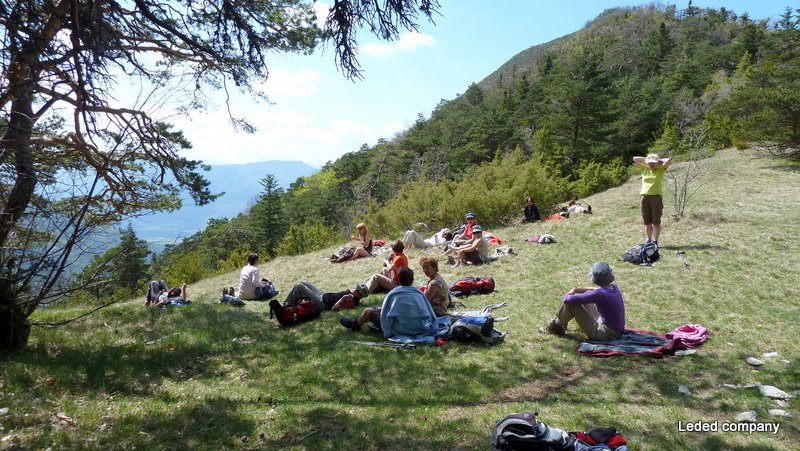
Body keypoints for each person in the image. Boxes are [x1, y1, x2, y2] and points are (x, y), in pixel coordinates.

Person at [339, 268, 438, 340]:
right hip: (420, 328)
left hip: (400, 330)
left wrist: (388, 332)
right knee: (376, 308)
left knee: (368, 311)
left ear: (399, 280)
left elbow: (386, 316)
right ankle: (358, 321)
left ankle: (355, 324)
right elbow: (428, 311)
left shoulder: (393, 294)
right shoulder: (419, 294)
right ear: (412, 280)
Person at [539, 262, 625, 341]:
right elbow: (595, 290)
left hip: (606, 334)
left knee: (572, 304)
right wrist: (577, 290)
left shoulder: (600, 294)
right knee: (586, 295)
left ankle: (556, 325)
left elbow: (567, 300)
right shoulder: (614, 287)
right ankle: (559, 322)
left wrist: (571, 293)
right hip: (617, 331)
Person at [633, 153, 671, 244]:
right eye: (650, 163)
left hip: (656, 198)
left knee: (656, 221)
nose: (651, 164)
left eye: (653, 163)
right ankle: (648, 239)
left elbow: (669, 160)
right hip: (644, 197)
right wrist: (647, 159)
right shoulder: (644, 169)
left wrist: (658, 161)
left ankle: (655, 240)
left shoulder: (660, 170)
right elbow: (635, 159)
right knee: (647, 221)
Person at [276, 280, 369, 311]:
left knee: (299, 286)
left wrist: (343, 298)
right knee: (304, 281)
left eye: (357, 290)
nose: (355, 289)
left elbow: (334, 309)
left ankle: (285, 305)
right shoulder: (353, 295)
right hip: (323, 295)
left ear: (359, 295)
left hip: (321, 303)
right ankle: (294, 303)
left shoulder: (352, 301)